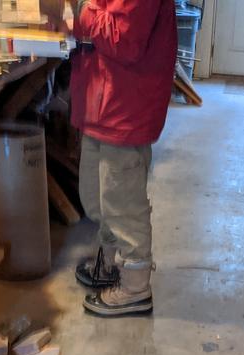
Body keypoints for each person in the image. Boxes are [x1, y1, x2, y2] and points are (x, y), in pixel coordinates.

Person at [69, 0, 178, 317]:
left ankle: (135, 287)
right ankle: (113, 262)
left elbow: (124, 40)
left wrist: (78, 9)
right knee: (96, 198)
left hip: (126, 102)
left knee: (123, 203)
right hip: (101, 97)